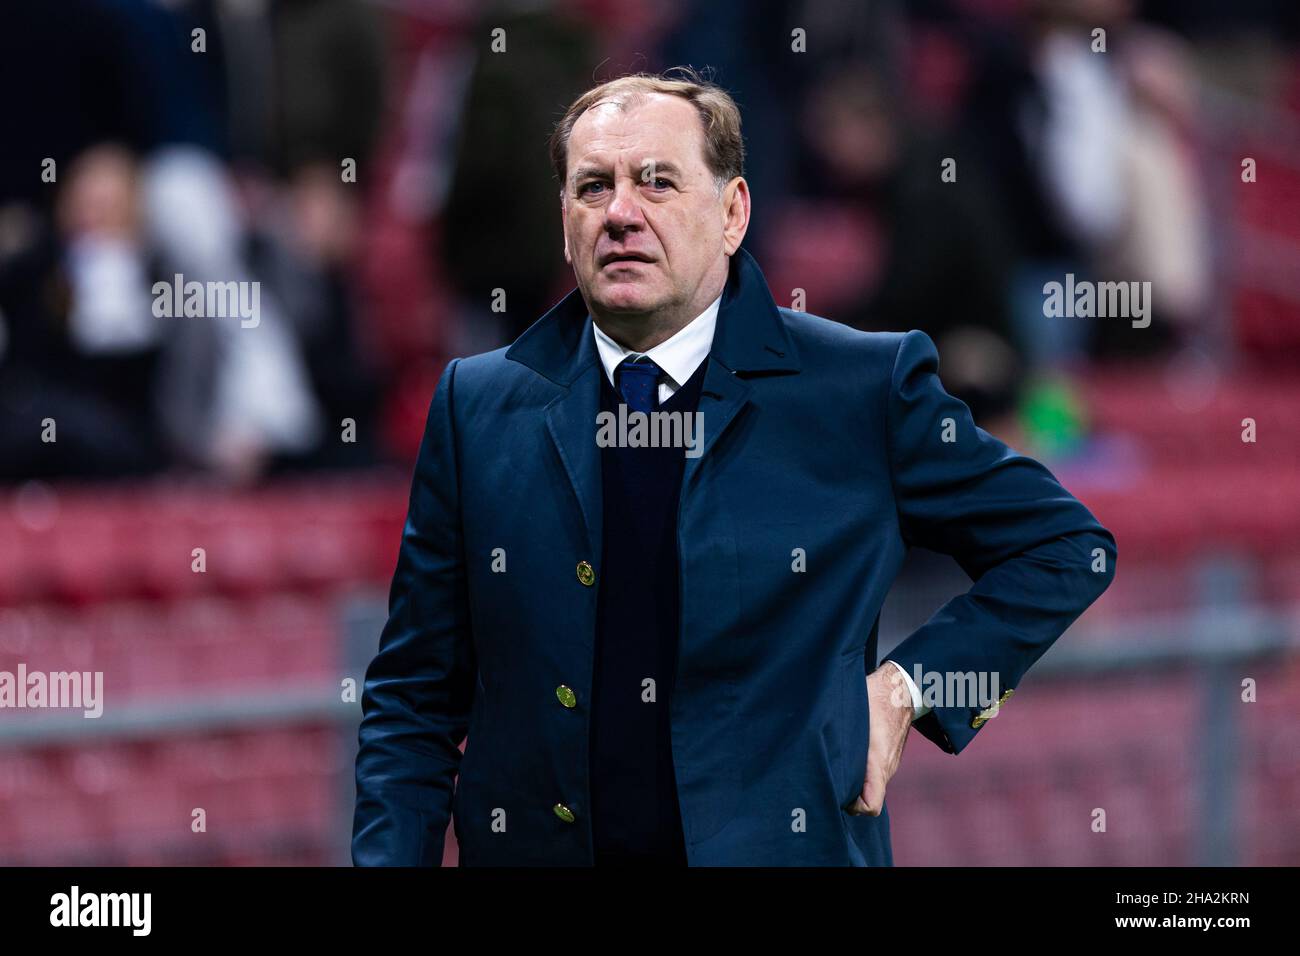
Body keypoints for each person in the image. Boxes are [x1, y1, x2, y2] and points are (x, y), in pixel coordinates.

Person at [351, 68, 1116, 867]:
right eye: (592, 188)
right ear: (565, 222)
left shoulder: (859, 389)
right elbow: (413, 699)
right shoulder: (475, 405)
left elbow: (1067, 548)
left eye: (657, 181)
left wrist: (907, 689)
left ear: (732, 213)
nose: (621, 213)